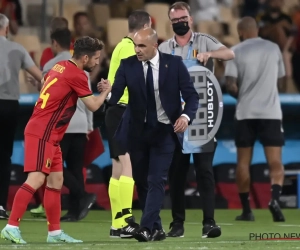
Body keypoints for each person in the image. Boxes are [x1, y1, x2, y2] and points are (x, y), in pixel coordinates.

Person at [1, 36, 111, 244]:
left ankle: (54, 233)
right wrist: (105, 91)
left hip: (50, 133)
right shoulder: (77, 75)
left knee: (56, 181)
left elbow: (44, 83)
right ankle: (11, 226)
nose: (97, 63)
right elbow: (94, 106)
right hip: (43, 132)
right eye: (95, 58)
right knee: (36, 180)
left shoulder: (60, 66)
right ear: (85, 57)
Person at [99, 28, 199, 242]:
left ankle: (145, 228)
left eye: (142, 46)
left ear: (155, 46)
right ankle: (157, 228)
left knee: (156, 179)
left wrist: (185, 117)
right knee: (142, 181)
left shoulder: (174, 65)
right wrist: (106, 92)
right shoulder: (128, 65)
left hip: (165, 130)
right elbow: (116, 97)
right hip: (138, 132)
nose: (137, 50)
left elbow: (192, 97)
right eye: (135, 45)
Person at [158, 1, 234, 238]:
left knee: (204, 171)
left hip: (202, 117)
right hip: (175, 119)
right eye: (175, 20)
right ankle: (177, 223)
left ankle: (208, 222)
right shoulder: (163, 48)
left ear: (190, 19)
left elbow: (230, 53)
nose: (180, 23)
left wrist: (210, 54)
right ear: (170, 22)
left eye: (183, 19)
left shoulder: (204, 40)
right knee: (177, 173)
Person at [224, 16, 286, 222]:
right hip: (271, 113)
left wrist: (245, 96)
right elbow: (281, 80)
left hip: (245, 113)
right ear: (257, 29)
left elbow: (230, 84)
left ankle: (246, 210)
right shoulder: (273, 48)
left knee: (243, 162)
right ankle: (275, 198)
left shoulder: (236, 51)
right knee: (275, 161)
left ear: (241, 32)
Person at [105, 10, 152, 238]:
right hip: (121, 111)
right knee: (127, 166)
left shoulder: (121, 46)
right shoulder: (129, 48)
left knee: (117, 169)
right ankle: (125, 221)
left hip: (116, 111)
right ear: (144, 27)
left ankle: (116, 223)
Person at [42, 28, 96, 222]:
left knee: (53, 167)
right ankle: (76, 210)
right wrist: (89, 126)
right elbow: (89, 98)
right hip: (81, 124)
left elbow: (48, 95)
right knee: (75, 168)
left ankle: (82, 196)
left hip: (61, 124)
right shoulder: (83, 64)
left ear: (55, 43)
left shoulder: (51, 65)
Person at [0, 13, 42, 220]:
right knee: (4, 156)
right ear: (6, 29)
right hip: (9, 106)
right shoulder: (17, 48)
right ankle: (0, 205)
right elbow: (41, 76)